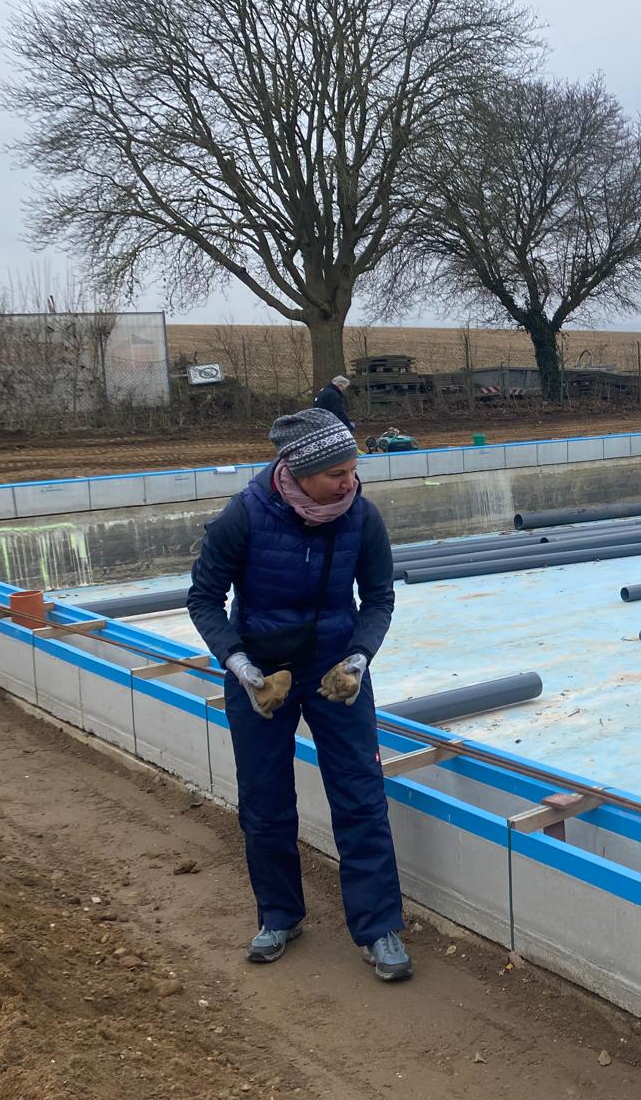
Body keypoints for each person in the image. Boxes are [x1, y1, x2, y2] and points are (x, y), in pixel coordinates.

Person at [186, 407, 412, 981]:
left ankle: (378, 926)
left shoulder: (361, 516)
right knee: (264, 800)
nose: (349, 481)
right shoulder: (244, 515)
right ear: (299, 472)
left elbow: (378, 598)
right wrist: (240, 665)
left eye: (352, 469)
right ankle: (279, 916)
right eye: (336, 473)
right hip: (261, 671)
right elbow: (204, 598)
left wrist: (358, 657)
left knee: (360, 794)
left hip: (336, 667)